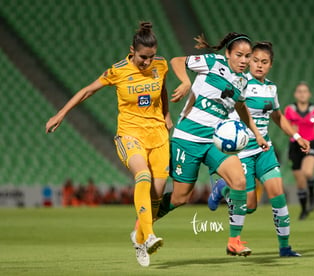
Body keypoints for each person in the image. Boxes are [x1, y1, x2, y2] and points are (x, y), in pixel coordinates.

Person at [45, 22, 171, 267]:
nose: (147, 62)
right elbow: (87, 91)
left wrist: (166, 113)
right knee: (142, 175)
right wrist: (60, 114)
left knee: (157, 194)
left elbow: (162, 89)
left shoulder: (161, 65)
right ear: (131, 50)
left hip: (158, 135)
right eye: (143, 57)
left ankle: (139, 236)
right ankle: (149, 237)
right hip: (129, 135)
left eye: (151, 57)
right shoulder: (118, 70)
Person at [156, 32, 269, 256]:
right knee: (180, 198)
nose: (244, 61)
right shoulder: (212, 62)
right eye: (239, 55)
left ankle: (234, 241)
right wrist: (186, 81)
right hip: (188, 138)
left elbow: (240, 107)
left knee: (239, 181)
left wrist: (256, 133)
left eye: (248, 56)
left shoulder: (244, 81)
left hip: (214, 141)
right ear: (227, 54)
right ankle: (145, 222)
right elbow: (177, 61)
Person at [208, 42, 310, 257]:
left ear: (270, 65)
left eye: (264, 62)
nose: (259, 65)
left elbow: (277, 116)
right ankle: (223, 190)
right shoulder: (240, 83)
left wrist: (297, 136)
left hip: (264, 150)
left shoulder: (271, 88)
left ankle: (285, 248)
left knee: (278, 194)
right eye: (255, 61)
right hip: (241, 152)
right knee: (250, 205)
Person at [284, 82, 314, 220]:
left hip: (311, 144)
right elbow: (285, 126)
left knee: (308, 172)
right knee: (300, 182)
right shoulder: (290, 109)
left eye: (305, 91)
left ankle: (312, 193)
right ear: (295, 94)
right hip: (295, 146)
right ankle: (304, 209)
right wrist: (291, 131)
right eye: (299, 91)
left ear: (309, 94)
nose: (302, 94)